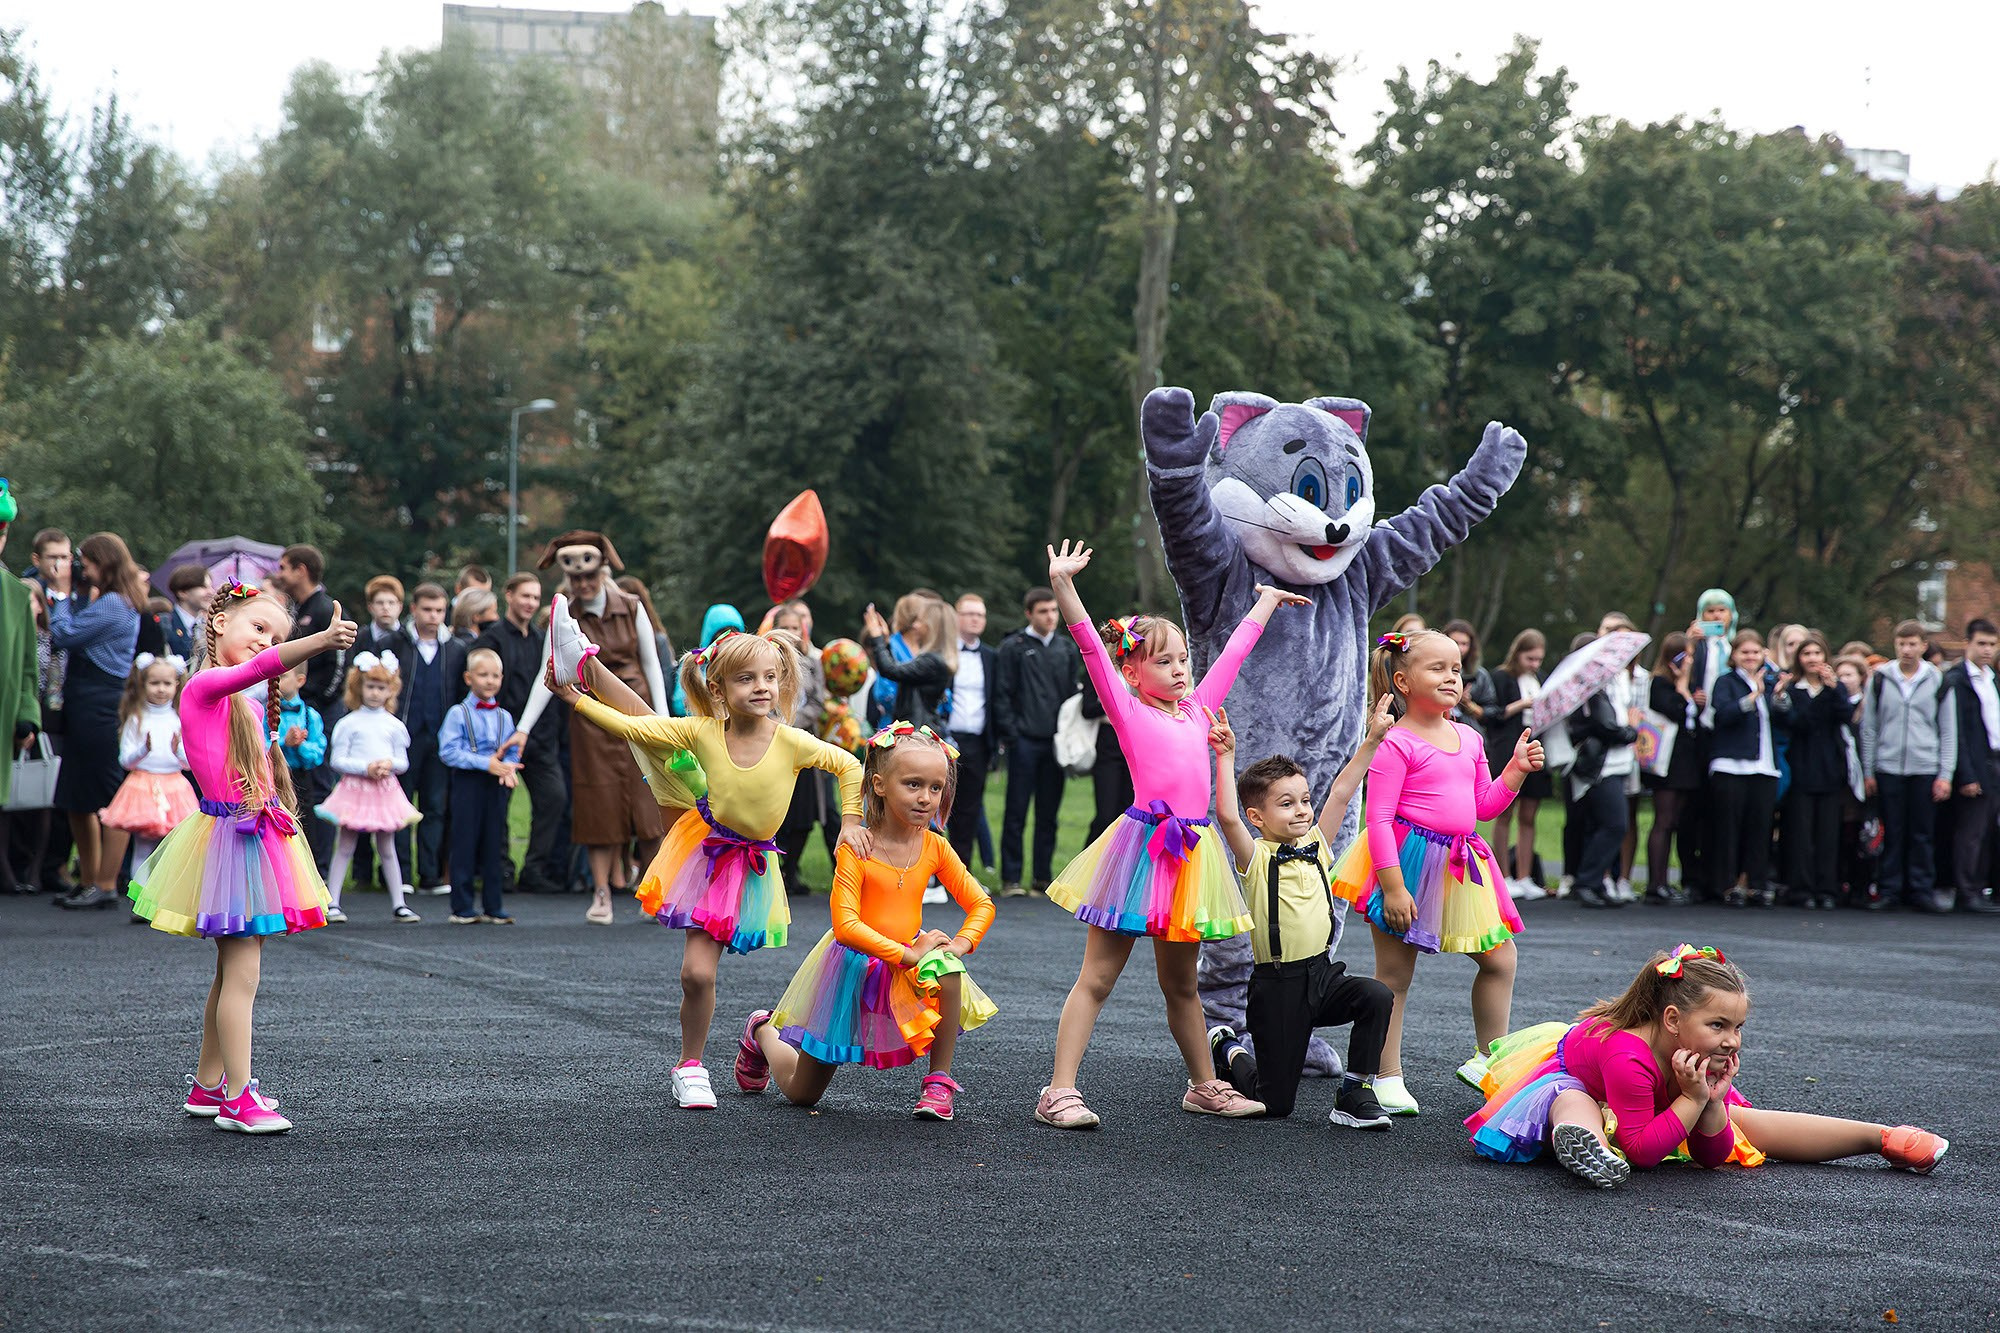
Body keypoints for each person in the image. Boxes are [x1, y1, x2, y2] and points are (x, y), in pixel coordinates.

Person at [547, 609, 865, 1109]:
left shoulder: (790, 741)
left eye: (769, 678)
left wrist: (850, 820)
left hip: (747, 861)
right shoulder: (705, 731)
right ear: (718, 691)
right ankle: (690, 1065)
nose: (762, 688)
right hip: (702, 840)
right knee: (696, 974)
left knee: (652, 729)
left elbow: (848, 763)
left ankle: (584, 662)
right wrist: (575, 701)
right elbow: (637, 730)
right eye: (746, 679)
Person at [1033, 538, 1300, 1129]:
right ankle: (1059, 1091)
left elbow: (1230, 656)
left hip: (1193, 856)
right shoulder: (1128, 712)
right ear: (1131, 672)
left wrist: (1265, 605)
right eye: (1164, 661)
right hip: (1142, 852)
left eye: (1183, 658)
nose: (1181, 668)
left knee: (1182, 984)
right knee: (1097, 978)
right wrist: (1062, 584)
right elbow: (1088, 646)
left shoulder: (1200, 709)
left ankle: (1203, 1084)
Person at [128, 580, 355, 1134]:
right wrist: (318, 641)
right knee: (244, 976)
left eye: (274, 636)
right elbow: (257, 671)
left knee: (231, 972)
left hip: (250, 838)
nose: (265, 641)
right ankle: (237, 1098)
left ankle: (209, 1086)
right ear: (219, 621)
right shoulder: (204, 686)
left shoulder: (239, 704)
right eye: (258, 627)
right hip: (232, 839)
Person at [1466, 944, 1949, 1187]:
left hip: (1670, 1084)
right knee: (1573, 1100)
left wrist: (1711, 1103)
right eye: (1719, 1025)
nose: (1731, 1041)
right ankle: (1589, 1147)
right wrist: (1693, 1098)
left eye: (1737, 1028)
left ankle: (1879, 1137)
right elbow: (1641, 1152)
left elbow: (1712, 1156)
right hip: (1584, 1077)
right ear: (1673, 1019)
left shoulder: (1699, 1050)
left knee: (1747, 1122)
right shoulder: (1627, 1055)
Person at [1331, 629, 1542, 1116]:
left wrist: (1514, 771)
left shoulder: (1469, 736)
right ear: (1403, 682)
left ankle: (1488, 1058)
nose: (1452, 677)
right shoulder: (1395, 742)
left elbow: (1483, 807)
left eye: (1456, 669)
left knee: (1500, 959)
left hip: (1460, 863)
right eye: (1438, 669)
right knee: (1395, 976)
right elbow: (1378, 819)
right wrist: (1392, 885)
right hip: (1406, 863)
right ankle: (1385, 1076)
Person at [738, 724, 997, 1120]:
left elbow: (981, 903)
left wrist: (958, 945)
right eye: (912, 784)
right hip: (853, 965)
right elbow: (846, 927)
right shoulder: (855, 848)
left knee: (948, 969)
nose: (926, 798)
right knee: (801, 1094)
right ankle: (762, 1031)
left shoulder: (935, 846)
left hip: (908, 962)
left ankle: (939, 1083)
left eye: (935, 787)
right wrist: (909, 954)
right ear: (879, 784)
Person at [1210, 699, 1396, 1127]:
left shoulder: (1317, 846)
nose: (1301, 810)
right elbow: (1225, 814)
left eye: (1304, 800)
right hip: (1277, 987)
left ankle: (1354, 1092)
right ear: (1257, 817)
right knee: (1275, 1105)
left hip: (1322, 975)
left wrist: (1372, 739)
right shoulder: (1254, 857)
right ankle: (1229, 1049)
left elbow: (1343, 791)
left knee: (1375, 995)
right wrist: (1226, 757)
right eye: (1287, 804)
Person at [511, 532, 670, 924]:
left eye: (589, 577)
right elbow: (545, 675)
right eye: (576, 580)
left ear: (602, 571)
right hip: (592, 720)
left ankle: (656, 894)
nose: (583, 585)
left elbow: (652, 665)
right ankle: (602, 895)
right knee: (598, 808)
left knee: (649, 809)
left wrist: (663, 721)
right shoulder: (562, 616)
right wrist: (523, 729)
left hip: (637, 715)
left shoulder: (632, 608)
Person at [50, 533, 145, 911]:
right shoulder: (110, 600)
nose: (80, 567)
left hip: (99, 702)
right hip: (84, 700)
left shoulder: (115, 604)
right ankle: (88, 879)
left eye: (86, 561)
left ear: (104, 563)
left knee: (107, 796)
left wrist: (59, 594)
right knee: (77, 796)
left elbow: (63, 634)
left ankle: (105, 883)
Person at [475, 573, 565, 894]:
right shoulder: (492, 639)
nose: (530, 603)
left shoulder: (543, 640)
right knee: (499, 803)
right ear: (508, 595)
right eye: (524, 596)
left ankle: (535, 868)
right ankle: (500, 869)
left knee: (554, 797)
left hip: (540, 738)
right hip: (501, 739)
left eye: (535, 597)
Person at [317, 651, 423, 924]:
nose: (375, 693)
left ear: (391, 690)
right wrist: (366, 768)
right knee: (346, 845)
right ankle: (333, 901)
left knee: (388, 847)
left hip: (384, 791)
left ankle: (399, 903)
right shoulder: (348, 723)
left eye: (382, 687)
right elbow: (337, 760)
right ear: (359, 687)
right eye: (370, 686)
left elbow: (403, 761)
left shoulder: (394, 726)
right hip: (355, 791)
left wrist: (388, 765)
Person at [1860, 621, 1956, 912]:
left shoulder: (1938, 680)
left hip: (1925, 765)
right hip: (1889, 765)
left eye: (1913, 643)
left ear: (1924, 646)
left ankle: (1921, 890)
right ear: (1895, 645)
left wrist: (1945, 774)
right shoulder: (1880, 679)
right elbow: (1869, 728)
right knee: (1893, 831)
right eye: (1902, 644)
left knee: (1922, 833)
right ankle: (1890, 889)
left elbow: (1948, 730)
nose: (1907, 649)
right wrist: (1868, 770)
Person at [992, 585, 1080, 898]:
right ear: (1029, 613)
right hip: (1023, 742)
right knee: (1016, 811)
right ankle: (1011, 879)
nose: (1051, 616)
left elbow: (1073, 697)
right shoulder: (1012, 647)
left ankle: (1042, 878)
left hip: (1054, 744)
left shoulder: (1066, 649)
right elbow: (1001, 694)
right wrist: (1012, 734)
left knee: (1048, 813)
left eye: (1054, 610)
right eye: (1043, 611)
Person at [272, 545, 345, 871]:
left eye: (285, 567)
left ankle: (321, 868)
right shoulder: (297, 608)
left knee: (318, 791)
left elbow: (337, 665)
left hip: (316, 711)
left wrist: (311, 705)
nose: (280, 574)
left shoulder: (324, 608)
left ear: (301, 570)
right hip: (291, 706)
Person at [439, 647, 522, 925]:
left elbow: (512, 749)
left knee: (494, 842)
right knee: (464, 841)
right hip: (468, 782)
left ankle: (493, 905)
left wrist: (509, 766)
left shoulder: (505, 717)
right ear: (468, 678)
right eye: (483, 675)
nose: (490, 681)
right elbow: (448, 751)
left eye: (495, 676)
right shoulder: (458, 713)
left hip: (495, 785)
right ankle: (462, 906)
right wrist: (485, 763)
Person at [394, 582, 466, 892]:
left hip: (440, 738)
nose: (434, 616)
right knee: (400, 805)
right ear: (413, 609)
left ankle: (430, 873)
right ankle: (400, 876)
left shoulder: (456, 650)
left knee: (435, 806)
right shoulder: (397, 645)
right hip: (402, 736)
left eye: (439, 610)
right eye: (427, 609)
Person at [99, 652, 196, 878]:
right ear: (143, 684)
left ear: (176, 685)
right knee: (143, 849)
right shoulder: (136, 718)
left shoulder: (180, 718)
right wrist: (144, 749)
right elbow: (125, 761)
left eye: (167, 683)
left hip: (175, 788)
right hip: (142, 786)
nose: (161, 689)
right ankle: (140, 901)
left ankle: (160, 903)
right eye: (154, 683)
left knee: (170, 851)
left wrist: (177, 750)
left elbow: (189, 764)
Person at [1776, 631, 1853, 911]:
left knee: (1828, 835)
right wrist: (1823, 696)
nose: (1812, 659)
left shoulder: (1835, 688)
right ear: (1799, 658)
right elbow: (1800, 721)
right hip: (1801, 769)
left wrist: (1833, 690)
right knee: (1801, 834)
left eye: (1817, 653)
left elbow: (1845, 715)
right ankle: (1802, 889)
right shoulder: (1793, 689)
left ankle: (1827, 888)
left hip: (1830, 769)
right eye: (1807, 654)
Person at [1563, 634, 1640, 910]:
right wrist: (1631, 730)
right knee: (1615, 824)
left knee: (1601, 825)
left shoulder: (1608, 683)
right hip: (1600, 768)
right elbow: (1606, 726)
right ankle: (1586, 881)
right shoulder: (1587, 688)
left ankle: (1594, 883)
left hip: (1615, 765)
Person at [1706, 630, 1782, 909]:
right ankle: (1728, 884)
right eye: (1744, 652)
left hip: (1764, 767)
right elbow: (1723, 715)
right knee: (1729, 828)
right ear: (1734, 656)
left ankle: (1754, 883)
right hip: (1732, 765)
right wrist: (1752, 697)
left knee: (1760, 828)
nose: (1750, 657)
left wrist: (1779, 696)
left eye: (1755, 652)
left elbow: (1784, 717)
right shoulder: (1726, 682)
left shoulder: (1771, 682)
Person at [772, 600, 841, 896]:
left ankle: (792, 868)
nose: (790, 632)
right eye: (784, 627)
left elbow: (818, 703)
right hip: (772, 742)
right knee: (778, 810)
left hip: (803, 742)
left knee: (805, 810)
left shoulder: (813, 663)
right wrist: (777, 723)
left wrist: (793, 721)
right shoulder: (767, 661)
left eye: (794, 628)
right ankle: (776, 870)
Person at [1942, 619, 2000, 914]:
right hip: (1974, 764)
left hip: (1995, 760)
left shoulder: (1993, 679)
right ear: (1968, 643)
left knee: (1989, 830)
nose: (1987, 649)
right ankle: (1965, 891)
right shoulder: (1956, 680)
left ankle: (1979, 887)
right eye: (1982, 643)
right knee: (1971, 832)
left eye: (1992, 644)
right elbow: (1958, 733)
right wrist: (1966, 774)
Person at [1484, 629, 1547, 899]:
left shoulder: (1540, 679)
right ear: (1517, 654)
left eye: (1538, 659)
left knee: (1529, 816)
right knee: (1504, 812)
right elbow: (1492, 715)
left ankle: (1524, 875)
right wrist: (1522, 704)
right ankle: (1503, 875)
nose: (1534, 664)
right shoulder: (1501, 677)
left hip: (1535, 748)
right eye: (1529, 658)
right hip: (1506, 750)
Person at [1642, 632, 1702, 906]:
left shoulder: (1688, 686)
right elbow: (1676, 712)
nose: (1689, 661)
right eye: (1685, 656)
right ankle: (1656, 883)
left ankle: (1666, 881)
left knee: (1676, 821)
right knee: (1663, 821)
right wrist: (1681, 686)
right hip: (1666, 763)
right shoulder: (1661, 684)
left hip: (1685, 763)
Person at [945, 593, 997, 871]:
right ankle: (932, 876)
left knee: (970, 810)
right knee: (936, 808)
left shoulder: (991, 656)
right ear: (956, 617)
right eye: (970, 613)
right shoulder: (943, 652)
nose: (976, 619)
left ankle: (961, 874)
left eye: (981, 614)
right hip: (944, 741)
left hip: (978, 743)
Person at [861, 596, 957, 734]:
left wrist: (877, 638)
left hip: (917, 733)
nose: (915, 625)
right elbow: (896, 670)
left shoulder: (931, 661)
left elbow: (890, 670)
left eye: (920, 621)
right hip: (919, 730)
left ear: (932, 627)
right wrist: (886, 644)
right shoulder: (935, 659)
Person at [1833, 654, 1876, 905]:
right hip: (1839, 777)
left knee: (1864, 833)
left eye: (1850, 674)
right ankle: (1843, 882)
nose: (1844, 680)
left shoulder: (1868, 704)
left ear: (1861, 677)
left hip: (1862, 776)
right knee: (1842, 832)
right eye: (1840, 675)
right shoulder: (1836, 703)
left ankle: (1863, 884)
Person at [674, 603, 745, 715]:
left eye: (733, 632)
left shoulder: (745, 663)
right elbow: (679, 703)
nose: (727, 638)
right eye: (722, 633)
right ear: (711, 635)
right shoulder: (695, 662)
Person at [274, 665, 328, 803]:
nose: (275, 680)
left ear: (300, 681)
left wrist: (301, 745)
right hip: (272, 778)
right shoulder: (263, 712)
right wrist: (283, 744)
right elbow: (258, 746)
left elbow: (317, 755)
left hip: (301, 782)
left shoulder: (311, 716)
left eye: (282, 676)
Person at [160, 564, 212, 662]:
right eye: (203, 587)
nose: (211, 592)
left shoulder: (209, 626)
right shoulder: (164, 624)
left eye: (210, 586)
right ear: (182, 592)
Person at [357, 576, 412, 662]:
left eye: (391, 603)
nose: (386, 607)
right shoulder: (358, 638)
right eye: (379, 603)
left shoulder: (410, 638)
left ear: (400, 607)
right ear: (370, 607)